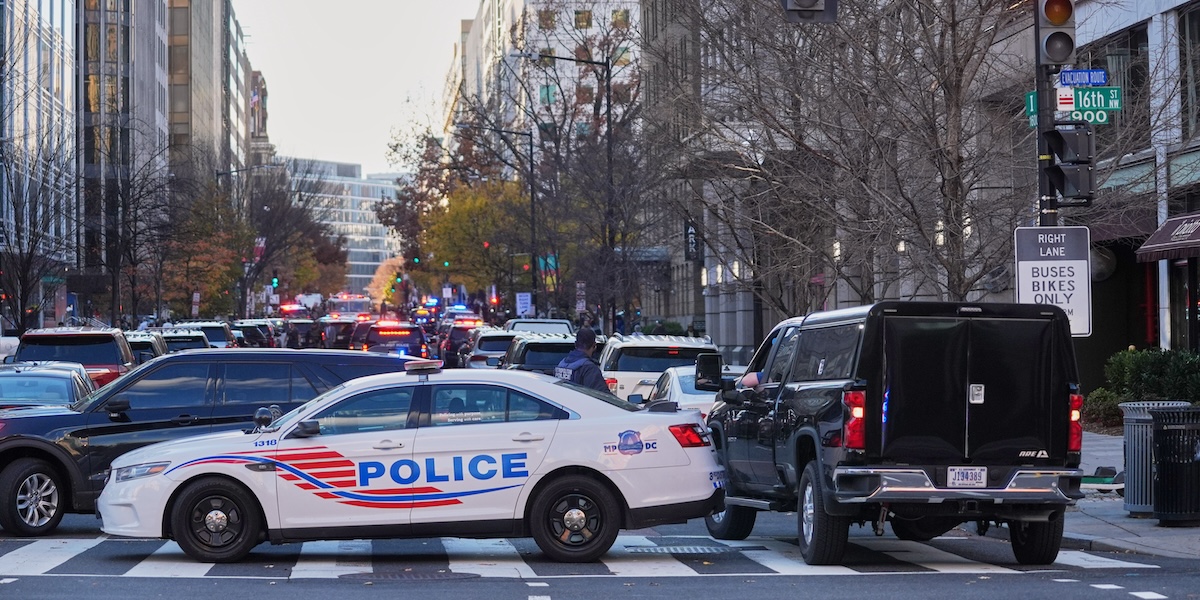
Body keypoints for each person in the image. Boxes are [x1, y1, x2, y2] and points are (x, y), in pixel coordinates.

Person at [555, 328, 610, 393]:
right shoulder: (589, 368)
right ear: (594, 346)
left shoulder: (561, 364)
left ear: (575, 344)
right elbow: (602, 394)